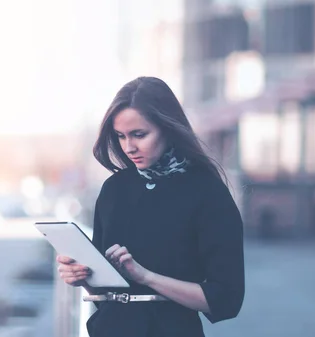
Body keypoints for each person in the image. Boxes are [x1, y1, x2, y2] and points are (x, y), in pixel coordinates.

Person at [57, 77, 245, 337]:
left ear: (168, 128)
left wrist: (146, 277)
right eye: (121, 136)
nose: (128, 147)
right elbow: (104, 293)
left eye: (139, 135)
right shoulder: (114, 190)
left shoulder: (207, 192)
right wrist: (83, 275)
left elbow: (226, 299)